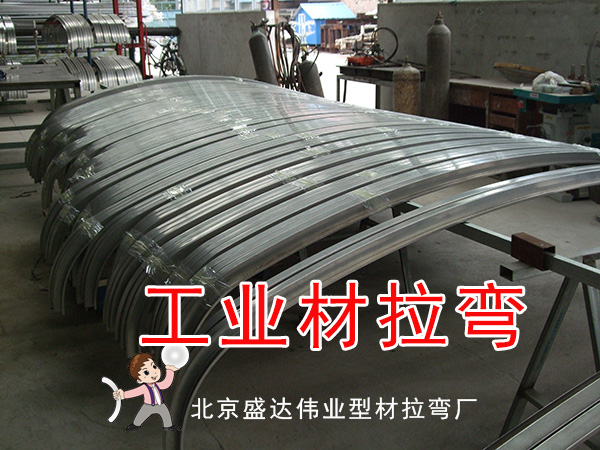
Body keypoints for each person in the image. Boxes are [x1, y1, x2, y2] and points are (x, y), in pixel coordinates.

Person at [113, 352, 181, 432]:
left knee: (165, 414)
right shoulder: (144, 388)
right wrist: (123, 395)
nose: (154, 372)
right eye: (146, 372)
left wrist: (170, 370)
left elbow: (166, 383)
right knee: (141, 415)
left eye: (154, 367)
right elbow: (134, 392)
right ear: (140, 380)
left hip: (160, 404)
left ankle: (168, 426)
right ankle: (135, 425)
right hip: (148, 406)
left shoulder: (157, 385)